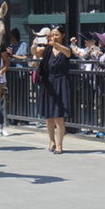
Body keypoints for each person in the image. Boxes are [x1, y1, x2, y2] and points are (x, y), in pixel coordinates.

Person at [35, 25, 72, 154]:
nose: (54, 37)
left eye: (56, 34)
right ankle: (51, 141)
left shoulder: (65, 48)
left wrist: (55, 44)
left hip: (61, 83)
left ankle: (60, 145)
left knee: (59, 117)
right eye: (52, 35)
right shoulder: (47, 49)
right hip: (48, 83)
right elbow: (35, 52)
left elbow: (68, 52)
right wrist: (35, 44)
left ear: (62, 35)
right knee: (49, 116)